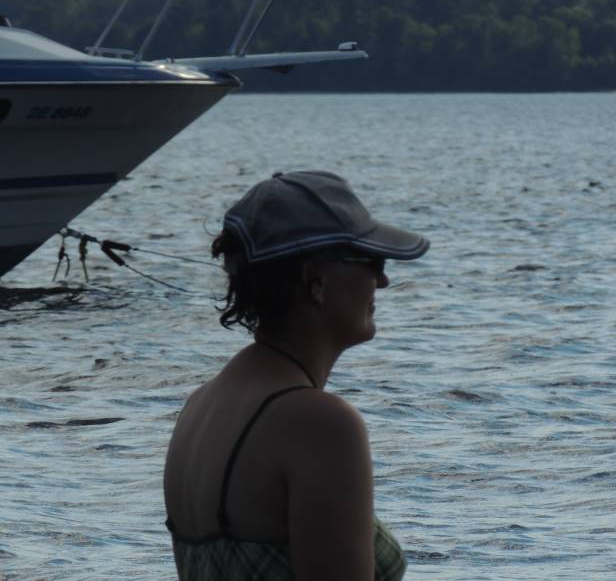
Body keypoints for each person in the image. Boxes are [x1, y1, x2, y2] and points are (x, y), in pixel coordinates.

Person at [163, 170, 429, 580]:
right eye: (372, 262)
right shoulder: (319, 423)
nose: (383, 281)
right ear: (316, 280)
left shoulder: (200, 406)